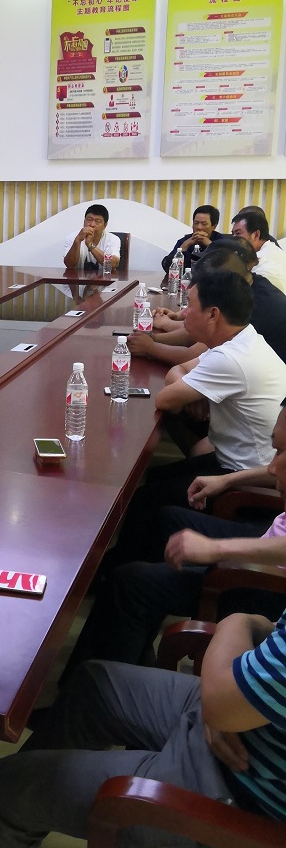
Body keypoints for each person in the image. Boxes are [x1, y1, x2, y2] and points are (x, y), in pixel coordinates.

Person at [0, 608, 286, 848]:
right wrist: (224, 702)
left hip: (236, 791)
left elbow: (223, 702)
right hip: (241, 718)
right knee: (93, 684)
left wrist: (238, 620)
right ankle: (14, 819)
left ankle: (6, 807)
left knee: (2, 786)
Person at [62, 403, 286, 677]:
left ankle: (93, 689)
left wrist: (215, 549)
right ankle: (133, 645)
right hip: (268, 543)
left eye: (281, 453)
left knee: (130, 583)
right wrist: (227, 480)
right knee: (168, 519)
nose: (273, 467)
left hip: (268, 583)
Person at [106, 270, 285, 568]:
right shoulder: (243, 340)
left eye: (190, 304)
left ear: (213, 314)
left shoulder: (230, 358)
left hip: (253, 482)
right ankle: (127, 564)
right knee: (155, 480)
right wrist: (195, 389)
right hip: (244, 466)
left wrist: (192, 389)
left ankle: (121, 572)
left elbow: (165, 399)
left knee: (145, 500)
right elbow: (178, 372)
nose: (184, 312)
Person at [129, 238, 286, 365]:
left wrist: (151, 347)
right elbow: (201, 330)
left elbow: (192, 356)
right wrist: (155, 337)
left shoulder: (251, 304)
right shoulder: (250, 284)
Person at [232, 209, 286, 294]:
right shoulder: (272, 248)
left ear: (256, 234)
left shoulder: (263, 260)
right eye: (233, 234)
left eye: (238, 233)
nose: (233, 238)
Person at [161, 203, 222, 275]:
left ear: (214, 226)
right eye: (196, 223)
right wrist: (184, 246)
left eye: (204, 224)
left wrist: (210, 245)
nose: (199, 227)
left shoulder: (222, 241)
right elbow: (167, 265)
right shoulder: (185, 240)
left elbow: (226, 266)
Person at [62, 204, 120, 272]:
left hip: (103, 278)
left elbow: (112, 265)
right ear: (84, 221)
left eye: (97, 221)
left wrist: (90, 245)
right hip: (78, 278)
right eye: (89, 220)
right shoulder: (73, 237)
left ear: (105, 225)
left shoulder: (113, 239)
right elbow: (69, 265)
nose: (92, 225)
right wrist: (77, 241)